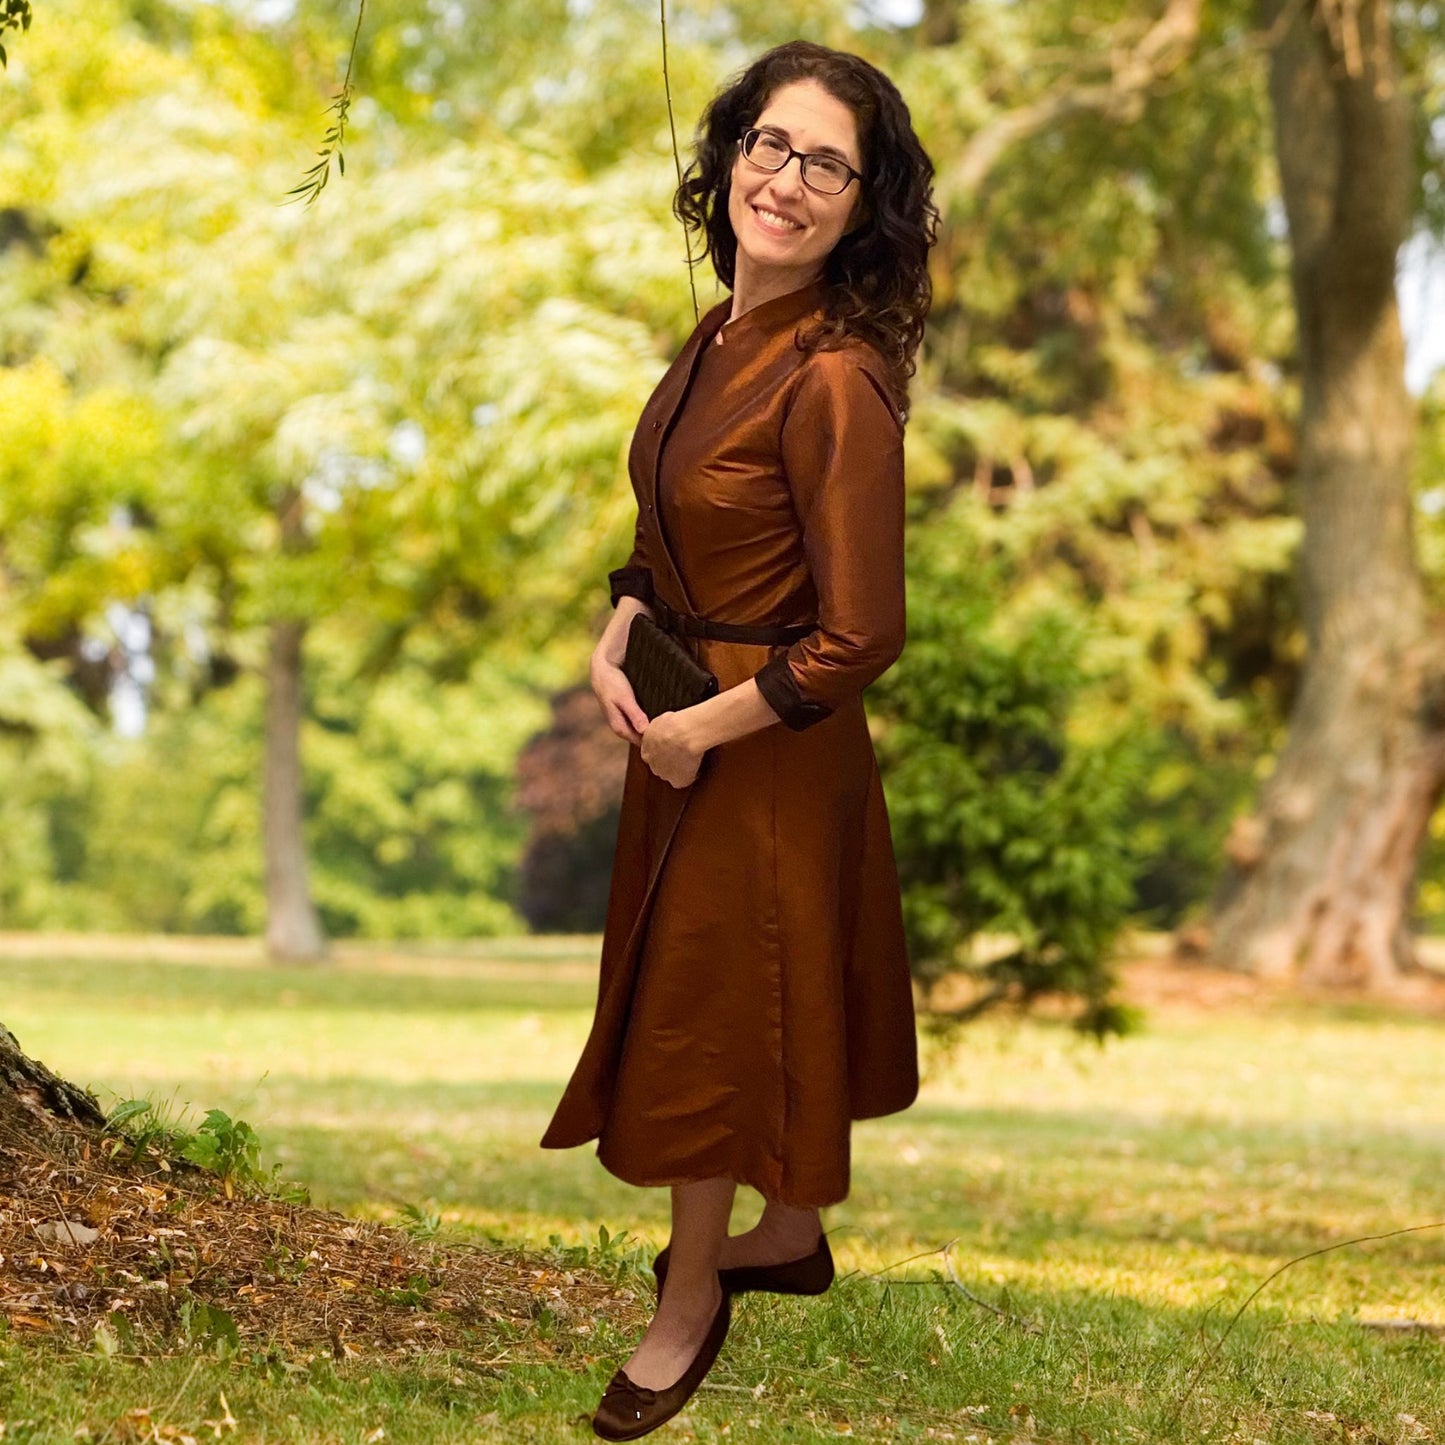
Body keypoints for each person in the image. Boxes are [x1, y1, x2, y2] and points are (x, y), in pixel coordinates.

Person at [539, 37, 940, 1440]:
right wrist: (619, 617)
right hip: (692, 731)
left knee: (717, 1024)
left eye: (826, 163)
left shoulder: (836, 376)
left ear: (861, 203)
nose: (785, 179)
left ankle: (688, 1298)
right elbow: (669, 528)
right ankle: (787, 1229)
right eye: (770, 145)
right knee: (723, 1004)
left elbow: (859, 633)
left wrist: (697, 730)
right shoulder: (714, 333)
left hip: (764, 746)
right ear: (728, 157)